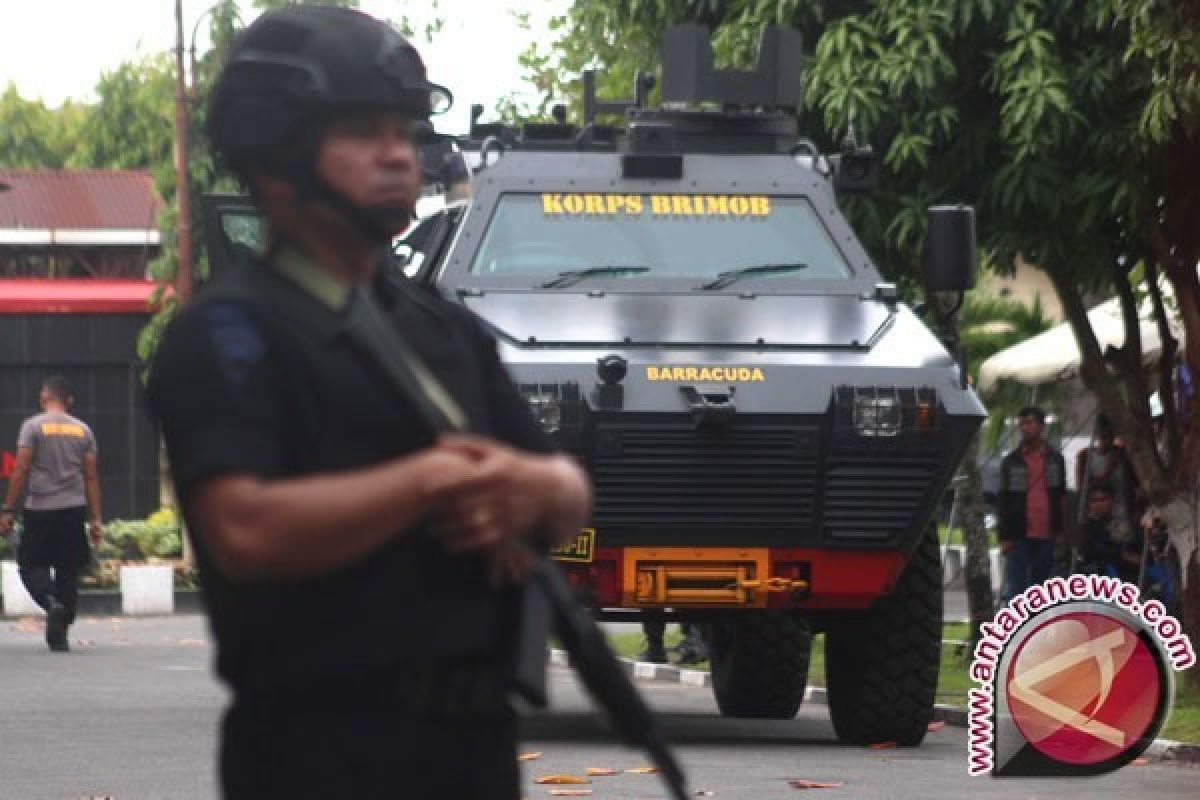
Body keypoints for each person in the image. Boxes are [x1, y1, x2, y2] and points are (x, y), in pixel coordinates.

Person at [144, 7, 591, 799]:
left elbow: (565, 488)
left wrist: (542, 491)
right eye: (361, 132)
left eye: (404, 130)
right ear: (276, 157)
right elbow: (244, 528)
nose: (398, 155)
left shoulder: (441, 328)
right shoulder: (229, 332)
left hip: (475, 751)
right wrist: (427, 484)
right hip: (319, 754)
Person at [0, 376, 104, 652]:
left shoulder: (32, 427)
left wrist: (8, 509)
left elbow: (21, 469)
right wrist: (95, 519)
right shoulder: (83, 431)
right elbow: (91, 477)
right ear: (69, 400)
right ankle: (59, 634)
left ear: (43, 398)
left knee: (31, 565)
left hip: (40, 509)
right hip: (73, 509)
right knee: (68, 568)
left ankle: (50, 603)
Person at [998, 406, 1066, 603]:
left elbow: (1060, 495)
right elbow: (1004, 500)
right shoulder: (1011, 462)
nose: (1025, 428)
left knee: (1041, 588)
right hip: (1019, 532)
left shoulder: (1055, 459)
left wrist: (1061, 531)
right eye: (1023, 424)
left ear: (1041, 426)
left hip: (1047, 531)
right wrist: (1004, 536)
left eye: (1029, 423)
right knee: (1016, 588)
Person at [1074, 414, 1134, 526]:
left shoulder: (1123, 455)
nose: (1106, 437)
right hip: (1094, 516)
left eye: (1109, 433)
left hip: (1121, 515)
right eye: (1103, 434)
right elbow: (1082, 488)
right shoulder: (1085, 456)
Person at [1076, 484, 1139, 583]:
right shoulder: (1085, 527)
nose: (1099, 504)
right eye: (1095, 500)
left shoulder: (1117, 523)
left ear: (1111, 501)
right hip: (1098, 573)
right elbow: (1093, 551)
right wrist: (1122, 554)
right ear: (1089, 503)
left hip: (1124, 569)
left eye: (1103, 500)